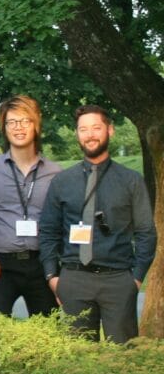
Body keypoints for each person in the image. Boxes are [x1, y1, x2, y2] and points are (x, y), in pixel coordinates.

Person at [40, 105, 156, 343]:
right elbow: (48, 231)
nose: (90, 134)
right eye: (83, 129)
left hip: (118, 281)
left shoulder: (131, 181)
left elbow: (146, 232)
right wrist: (53, 275)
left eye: (96, 128)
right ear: (77, 134)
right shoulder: (62, 181)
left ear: (110, 130)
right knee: (78, 361)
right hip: (73, 278)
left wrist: (135, 278)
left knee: (121, 358)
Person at [0, 95, 62, 317]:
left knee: (47, 334)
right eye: (11, 122)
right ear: (4, 128)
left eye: (25, 121)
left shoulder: (55, 173)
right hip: (0, 265)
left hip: (42, 263)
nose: (18, 127)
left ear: (36, 125)